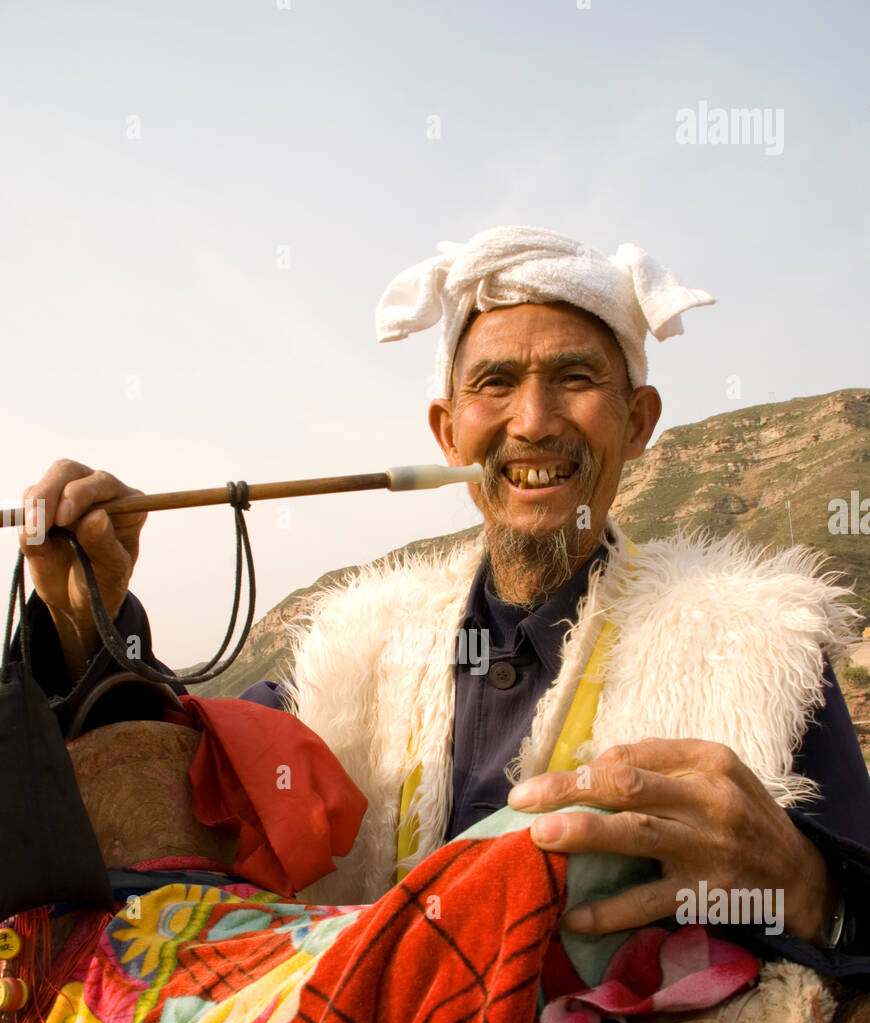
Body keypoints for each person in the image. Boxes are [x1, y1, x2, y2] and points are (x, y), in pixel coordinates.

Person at [14, 225, 870, 976]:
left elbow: (854, 931)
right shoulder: (354, 652)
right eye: (495, 384)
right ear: (446, 431)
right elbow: (191, 788)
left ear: (639, 421)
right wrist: (83, 614)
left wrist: (803, 888)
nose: (533, 422)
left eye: (575, 378)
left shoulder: (760, 649)